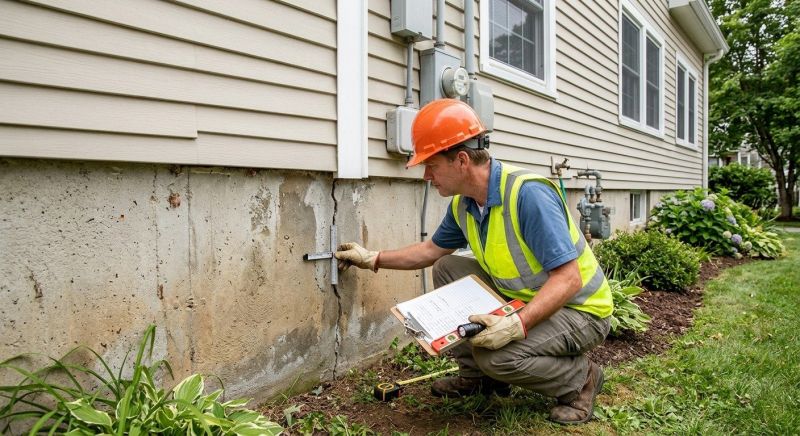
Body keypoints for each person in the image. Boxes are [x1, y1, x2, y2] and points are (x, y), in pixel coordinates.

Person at [335, 99, 613, 424]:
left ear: (462, 160)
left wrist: (516, 325)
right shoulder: (465, 205)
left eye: (432, 165)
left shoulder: (527, 196)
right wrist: (372, 258)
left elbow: (569, 280)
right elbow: (430, 252)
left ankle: (582, 379)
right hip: (529, 298)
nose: (427, 176)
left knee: (497, 356)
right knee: (448, 267)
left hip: (581, 310)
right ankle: (479, 379)